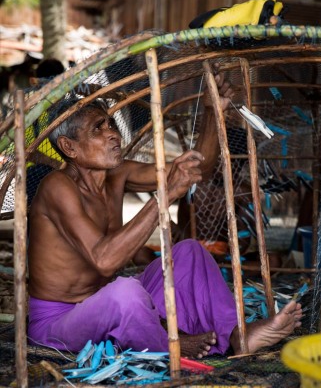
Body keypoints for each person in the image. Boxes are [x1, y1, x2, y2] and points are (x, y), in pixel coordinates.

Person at [27, 66, 302, 359]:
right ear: (69, 147)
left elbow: (200, 168)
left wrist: (212, 112)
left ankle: (237, 335)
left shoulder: (117, 174)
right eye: (98, 129)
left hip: (106, 305)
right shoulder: (57, 186)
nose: (112, 134)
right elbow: (104, 261)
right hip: (60, 323)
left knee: (189, 252)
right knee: (125, 293)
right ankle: (169, 345)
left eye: (110, 124)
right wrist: (167, 194)